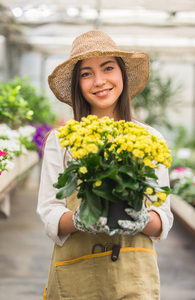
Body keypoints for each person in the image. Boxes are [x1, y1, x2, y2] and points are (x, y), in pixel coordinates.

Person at [37, 30, 174, 300]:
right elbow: (49, 212)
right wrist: (81, 220)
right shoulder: (61, 140)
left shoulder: (149, 139)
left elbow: (163, 219)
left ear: (122, 73)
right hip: (76, 276)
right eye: (86, 74)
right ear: (78, 84)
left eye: (108, 68)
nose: (99, 81)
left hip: (133, 276)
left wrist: (141, 219)